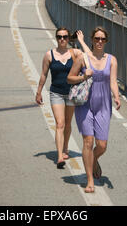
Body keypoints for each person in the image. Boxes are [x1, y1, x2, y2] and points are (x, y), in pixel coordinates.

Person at [67, 27, 120, 193]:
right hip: (85, 105)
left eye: (102, 39)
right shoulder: (82, 58)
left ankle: (93, 159)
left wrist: (116, 96)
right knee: (88, 142)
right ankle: (90, 180)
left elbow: (113, 81)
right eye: (96, 38)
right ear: (92, 40)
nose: (99, 42)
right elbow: (70, 78)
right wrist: (83, 76)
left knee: (102, 145)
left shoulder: (111, 60)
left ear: (106, 41)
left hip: (104, 105)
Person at [36, 28, 82, 168]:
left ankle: (66, 147)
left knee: (68, 123)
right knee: (60, 123)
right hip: (56, 93)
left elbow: (89, 58)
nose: (62, 39)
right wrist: (38, 92)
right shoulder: (49, 55)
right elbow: (44, 74)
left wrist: (80, 41)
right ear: (56, 38)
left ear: (69, 39)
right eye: (59, 37)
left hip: (71, 93)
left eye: (65, 37)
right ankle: (60, 156)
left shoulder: (74, 53)